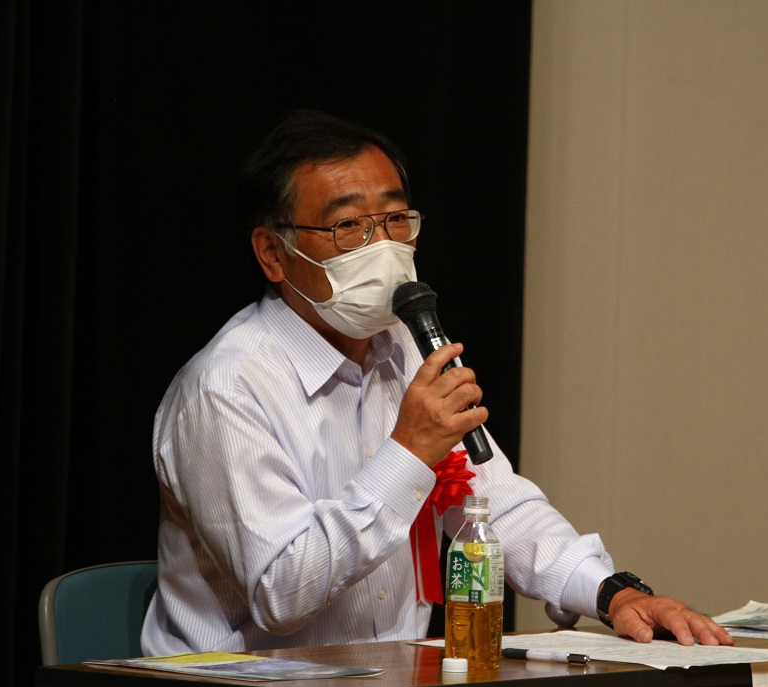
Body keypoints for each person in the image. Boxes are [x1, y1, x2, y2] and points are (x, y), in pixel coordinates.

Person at [140, 110, 733, 655]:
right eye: (349, 226)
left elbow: (493, 502)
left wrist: (614, 595)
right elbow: (282, 591)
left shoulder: (402, 346)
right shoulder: (226, 388)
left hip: (393, 676)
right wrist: (408, 453)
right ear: (273, 252)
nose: (383, 246)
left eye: (395, 219)